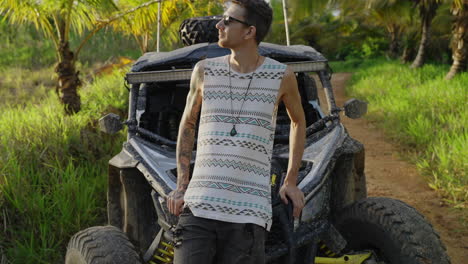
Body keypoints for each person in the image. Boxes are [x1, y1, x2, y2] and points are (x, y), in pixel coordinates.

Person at [167, 0, 306, 263]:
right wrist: (181, 185)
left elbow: (298, 123)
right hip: (199, 207)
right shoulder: (204, 70)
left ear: (249, 31)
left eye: (228, 21)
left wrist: (290, 181)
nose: (218, 25)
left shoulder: (282, 75)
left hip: (249, 213)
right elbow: (187, 124)